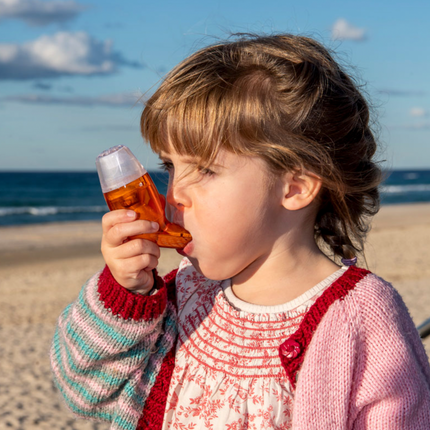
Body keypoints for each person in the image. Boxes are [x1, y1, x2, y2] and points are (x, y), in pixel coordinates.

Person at [50, 33, 430, 430]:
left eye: (206, 170)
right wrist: (127, 296)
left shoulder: (362, 317)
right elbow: (84, 391)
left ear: (295, 187)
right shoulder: (184, 294)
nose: (174, 194)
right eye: (170, 167)